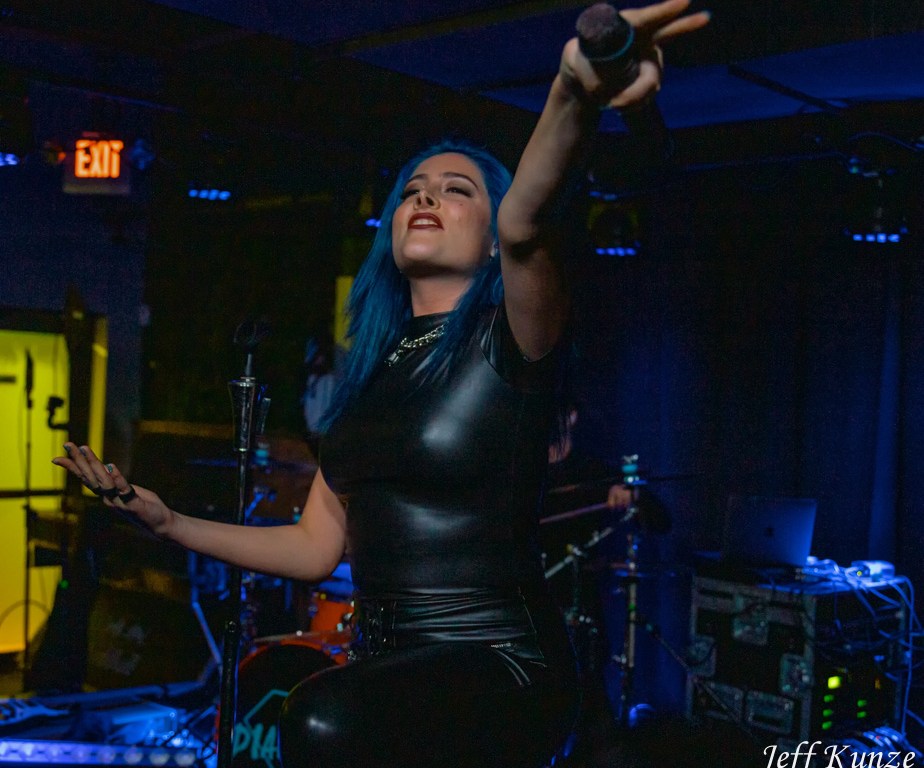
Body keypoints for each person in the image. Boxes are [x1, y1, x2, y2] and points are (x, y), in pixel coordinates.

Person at [52, 3, 708, 766]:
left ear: (490, 239)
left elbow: (528, 219)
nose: (425, 197)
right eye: (412, 190)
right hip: (387, 664)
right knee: (325, 713)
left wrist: (572, 88)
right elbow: (312, 547)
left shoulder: (514, 335)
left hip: (501, 662)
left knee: (319, 721)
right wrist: (166, 522)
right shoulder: (370, 378)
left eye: (457, 190)